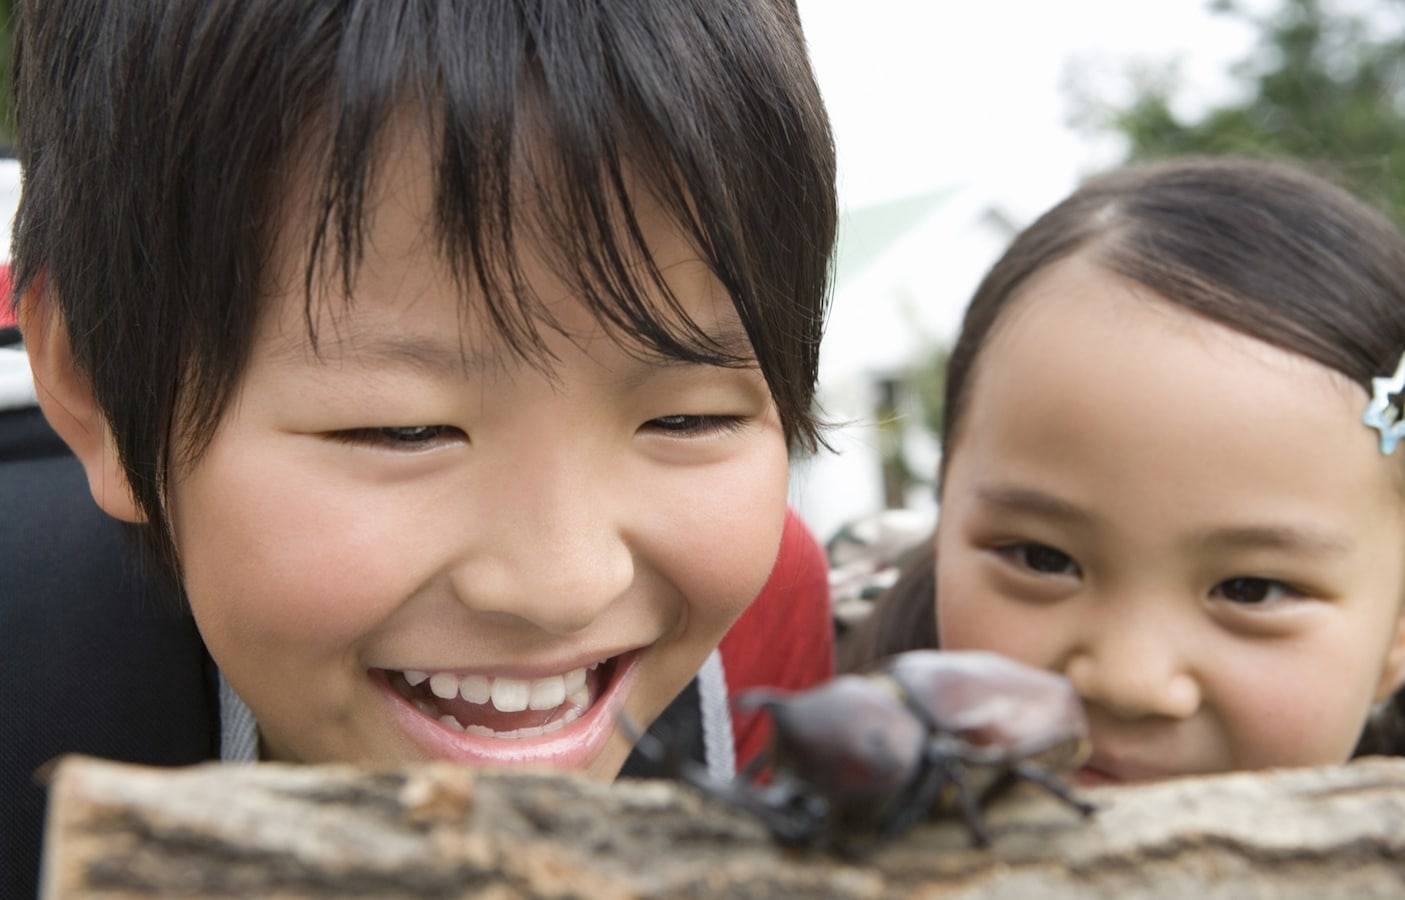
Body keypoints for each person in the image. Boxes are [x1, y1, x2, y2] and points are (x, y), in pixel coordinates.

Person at [1, 1, 836, 895]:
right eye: (402, 429)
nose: (565, 586)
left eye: (689, 419)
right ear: (100, 397)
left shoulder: (757, 644)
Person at [840, 155, 1405, 783]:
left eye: (1252, 590)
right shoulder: (782, 706)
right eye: (1040, 557)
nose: (1127, 683)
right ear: (944, 519)